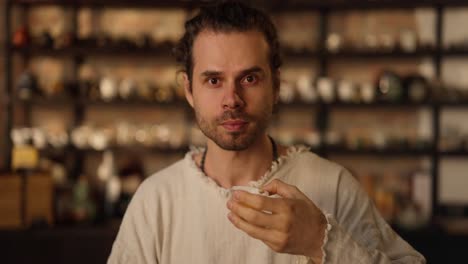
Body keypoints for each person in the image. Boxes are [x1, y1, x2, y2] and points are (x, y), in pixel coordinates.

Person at [107, 2, 426, 263]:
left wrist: (321, 241)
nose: (232, 100)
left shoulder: (333, 185)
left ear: (276, 85)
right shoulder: (156, 200)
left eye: (249, 79)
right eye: (214, 81)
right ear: (189, 90)